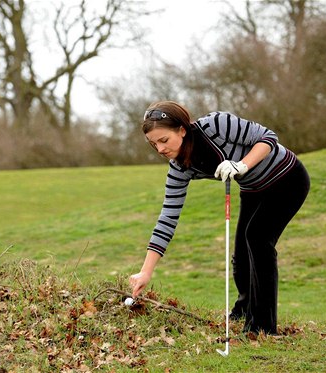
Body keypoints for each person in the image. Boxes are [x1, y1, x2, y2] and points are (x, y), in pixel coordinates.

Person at [128, 101, 310, 335]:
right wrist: (146, 271)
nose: (160, 149)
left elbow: (268, 137)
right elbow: (167, 218)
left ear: (182, 130)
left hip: (288, 179)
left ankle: (263, 327)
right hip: (254, 189)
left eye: (164, 140)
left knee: (257, 239)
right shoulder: (179, 168)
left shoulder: (216, 125)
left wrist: (242, 164)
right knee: (242, 253)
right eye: (154, 144)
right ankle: (244, 310)